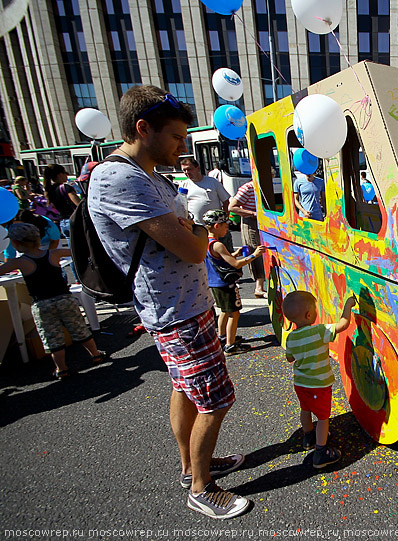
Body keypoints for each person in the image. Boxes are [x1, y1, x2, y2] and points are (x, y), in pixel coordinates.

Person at [88, 85, 250, 519]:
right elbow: (195, 246)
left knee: (185, 388)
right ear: (143, 128)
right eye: (176, 137)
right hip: (174, 311)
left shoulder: (149, 176)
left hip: (185, 305)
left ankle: (190, 467)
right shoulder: (118, 177)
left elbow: (189, 231)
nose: (183, 147)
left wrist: (192, 230)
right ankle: (201, 486)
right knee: (216, 399)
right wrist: (198, 232)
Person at [0, 223, 109, 378]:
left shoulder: (20, 262)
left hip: (42, 304)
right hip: (64, 299)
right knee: (79, 329)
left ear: (16, 243)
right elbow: (78, 252)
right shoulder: (54, 254)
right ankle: (95, 354)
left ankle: (62, 368)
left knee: (52, 338)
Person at [283, 290, 356, 468]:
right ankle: (321, 452)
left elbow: (290, 358)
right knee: (323, 418)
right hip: (319, 385)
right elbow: (343, 324)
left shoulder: (291, 337)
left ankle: (308, 437)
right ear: (309, 315)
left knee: (305, 409)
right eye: (315, 310)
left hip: (300, 384)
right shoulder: (319, 331)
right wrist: (348, 305)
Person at [202, 209, 265, 355]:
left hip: (214, 283)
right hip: (225, 283)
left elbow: (219, 259)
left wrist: (234, 254)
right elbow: (235, 264)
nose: (227, 228)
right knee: (234, 314)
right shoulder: (218, 245)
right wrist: (254, 255)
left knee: (224, 311)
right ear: (217, 226)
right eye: (225, 226)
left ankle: (223, 337)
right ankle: (230, 346)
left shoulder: (206, 241)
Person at [179, 157, 233, 251]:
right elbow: (181, 206)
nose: (187, 172)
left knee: (225, 255)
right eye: (184, 170)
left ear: (198, 168)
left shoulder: (212, 182)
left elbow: (226, 201)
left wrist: (224, 220)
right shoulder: (183, 185)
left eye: (189, 169)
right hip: (197, 229)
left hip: (216, 228)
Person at [229, 180, 266, 298]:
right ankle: (259, 287)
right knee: (255, 251)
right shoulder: (247, 188)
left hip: (264, 221)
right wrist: (252, 213)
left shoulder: (266, 186)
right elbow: (232, 207)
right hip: (251, 222)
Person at [43, 164, 81, 235]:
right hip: (73, 220)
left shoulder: (49, 190)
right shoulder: (66, 187)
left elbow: (53, 207)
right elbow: (78, 204)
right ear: (60, 174)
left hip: (63, 222)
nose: (66, 176)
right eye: (65, 173)